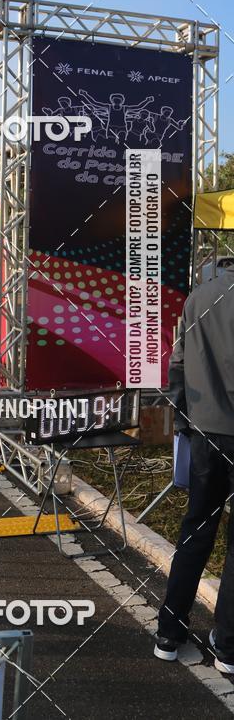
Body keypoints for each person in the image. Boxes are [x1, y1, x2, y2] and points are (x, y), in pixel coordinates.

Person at [155, 262, 234, 672]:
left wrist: (184, 422)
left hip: (206, 433)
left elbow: (179, 366)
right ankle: (228, 646)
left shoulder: (199, 298)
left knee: (197, 528)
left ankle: (170, 630)